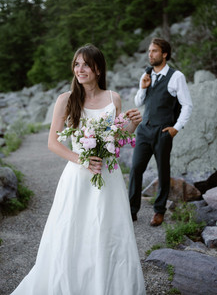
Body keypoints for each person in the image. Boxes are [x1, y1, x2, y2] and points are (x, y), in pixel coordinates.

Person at [11, 44, 146, 295]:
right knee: (74, 231)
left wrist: (132, 126)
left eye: (85, 64)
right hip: (78, 175)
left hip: (108, 176)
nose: (80, 69)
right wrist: (82, 160)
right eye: (76, 64)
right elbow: (53, 143)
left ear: (98, 68)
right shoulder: (66, 99)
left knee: (109, 231)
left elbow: (115, 141)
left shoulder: (113, 98)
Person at [129, 37, 193, 227]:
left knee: (162, 171)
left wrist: (176, 128)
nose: (150, 54)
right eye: (149, 51)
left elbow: (187, 105)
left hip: (163, 131)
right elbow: (138, 102)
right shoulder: (146, 74)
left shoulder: (176, 77)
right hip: (144, 130)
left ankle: (159, 211)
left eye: (154, 51)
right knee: (135, 170)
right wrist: (143, 87)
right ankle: (132, 211)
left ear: (164, 54)